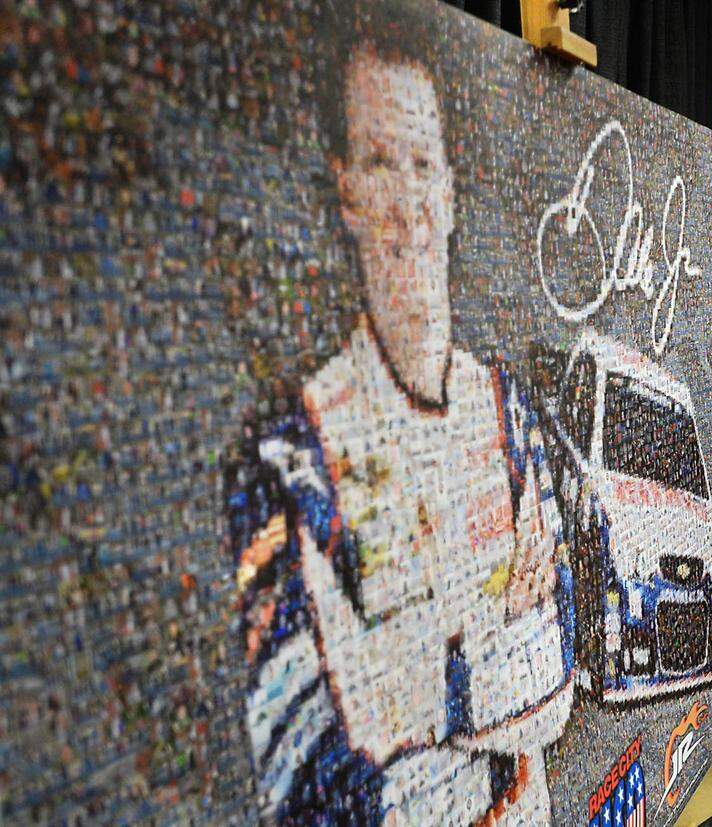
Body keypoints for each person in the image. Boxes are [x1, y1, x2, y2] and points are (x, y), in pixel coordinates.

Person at [225, 45, 573, 824]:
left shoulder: (510, 412)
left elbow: (556, 673)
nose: (408, 201)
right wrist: (490, 657)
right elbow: (307, 777)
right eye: (382, 162)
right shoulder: (291, 451)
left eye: (423, 163)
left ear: (450, 190)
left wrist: (409, 683)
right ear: (345, 188)